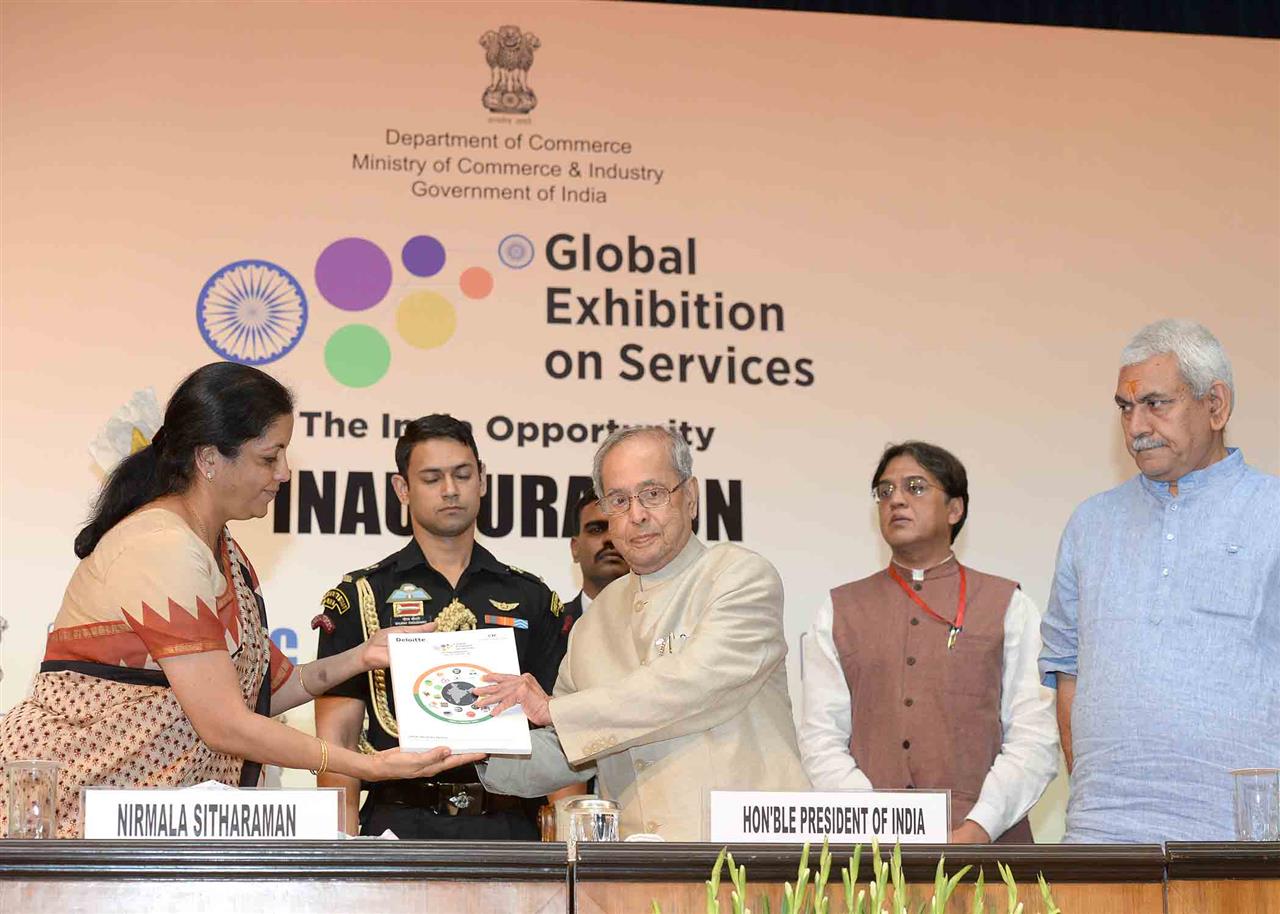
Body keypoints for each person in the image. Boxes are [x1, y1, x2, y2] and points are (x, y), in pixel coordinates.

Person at [0, 363, 478, 837]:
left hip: (151, 822)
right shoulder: (161, 545)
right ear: (209, 459)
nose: (284, 473)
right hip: (76, 812)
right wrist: (369, 767)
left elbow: (267, 692)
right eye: (270, 458)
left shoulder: (222, 547)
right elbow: (225, 725)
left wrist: (363, 655)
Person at [472, 426, 809, 841]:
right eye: (618, 500)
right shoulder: (593, 624)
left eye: (653, 494)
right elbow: (569, 748)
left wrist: (555, 711)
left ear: (691, 496)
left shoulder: (740, 577)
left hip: (745, 858)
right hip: (637, 865)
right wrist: (473, 742)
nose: (637, 515)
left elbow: (692, 686)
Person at [1040, 319, 1280, 843]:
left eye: (1156, 403)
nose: (1136, 426)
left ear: (1216, 405)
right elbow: (1066, 669)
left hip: (1243, 848)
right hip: (1101, 842)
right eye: (1126, 408)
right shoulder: (1090, 524)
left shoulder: (1274, 513)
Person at [313, 414, 565, 839]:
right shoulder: (361, 595)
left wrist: (567, 854)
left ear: (482, 480)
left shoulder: (533, 598)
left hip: (510, 826)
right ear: (402, 489)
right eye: (431, 478)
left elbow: (563, 735)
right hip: (398, 823)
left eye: (462, 474)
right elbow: (336, 744)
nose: (450, 490)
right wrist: (341, 856)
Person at [799, 442, 1058, 844]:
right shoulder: (838, 610)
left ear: (955, 509)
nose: (896, 500)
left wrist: (980, 826)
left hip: (988, 847)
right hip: (871, 856)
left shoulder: (1009, 605)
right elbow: (821, 738)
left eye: (915, 487)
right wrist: (872, 824)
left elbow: (1034, 737)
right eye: (884, 492)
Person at [554, 488, 630, 668]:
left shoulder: (659, 620)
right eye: (596, 529)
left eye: (617, 528)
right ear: (575, 548)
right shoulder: (549, 626)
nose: (609, 539)